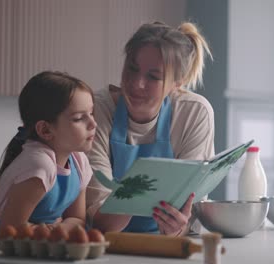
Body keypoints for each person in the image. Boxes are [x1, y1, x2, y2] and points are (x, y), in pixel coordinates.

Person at [86, 21, 215, 236]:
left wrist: (177, 227)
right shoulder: (98, 109)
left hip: (165, 245)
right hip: (107, 245)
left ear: (178, 83)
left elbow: (191, 204)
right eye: (132, 68)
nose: (137, 83)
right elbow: (99, 213)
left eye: (154, 77)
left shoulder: (193, 113)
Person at [0, 71, 97, 237]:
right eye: (79, 118)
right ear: (45, 129)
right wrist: (56, 229)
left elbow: (77, 219)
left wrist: (54, 230)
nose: (93, 123)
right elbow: (11, 230)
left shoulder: (79, 161)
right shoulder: (39, 165)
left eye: (91, 113)